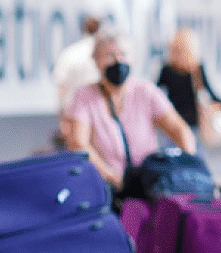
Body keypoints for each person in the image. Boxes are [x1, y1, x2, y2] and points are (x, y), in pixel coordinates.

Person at [66, 26, 196, 192]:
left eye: (123, 54)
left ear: (132, 59)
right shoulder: (85, 96)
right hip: (105, 186)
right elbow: (78, 143)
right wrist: (113, 178)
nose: (118, 61)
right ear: (96, 61)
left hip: (147, 185)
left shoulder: (146, 92)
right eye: (109, 56)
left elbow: (180, 130)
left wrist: (187, 168)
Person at [157, 27, 221, 135]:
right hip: (185, 125)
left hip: (176, 124)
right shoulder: (191, 69)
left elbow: (156, 94)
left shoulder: (172, 69)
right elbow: (212, 95)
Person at [53, 16, 102, 145]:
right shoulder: (102, 53)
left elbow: (61, 90)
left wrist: (62, 120)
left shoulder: (69, 53)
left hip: (74, 117)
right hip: (97, 117)